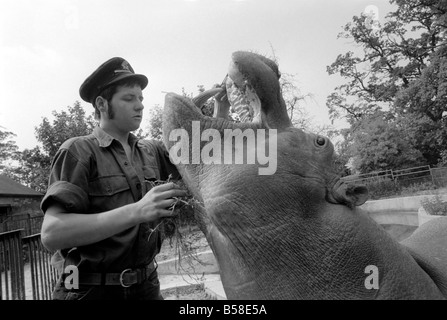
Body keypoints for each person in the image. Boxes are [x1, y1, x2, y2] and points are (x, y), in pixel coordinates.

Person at [40, 57, 186, 300]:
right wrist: (138, 210)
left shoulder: (152, 151)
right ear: (102, 104)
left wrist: (219, 112)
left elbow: (199, 164)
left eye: (141, 99)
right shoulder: (78, 151)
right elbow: (52, 234)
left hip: (147, 286)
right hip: (91, 290)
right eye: (129, 98)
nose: (139, 106)